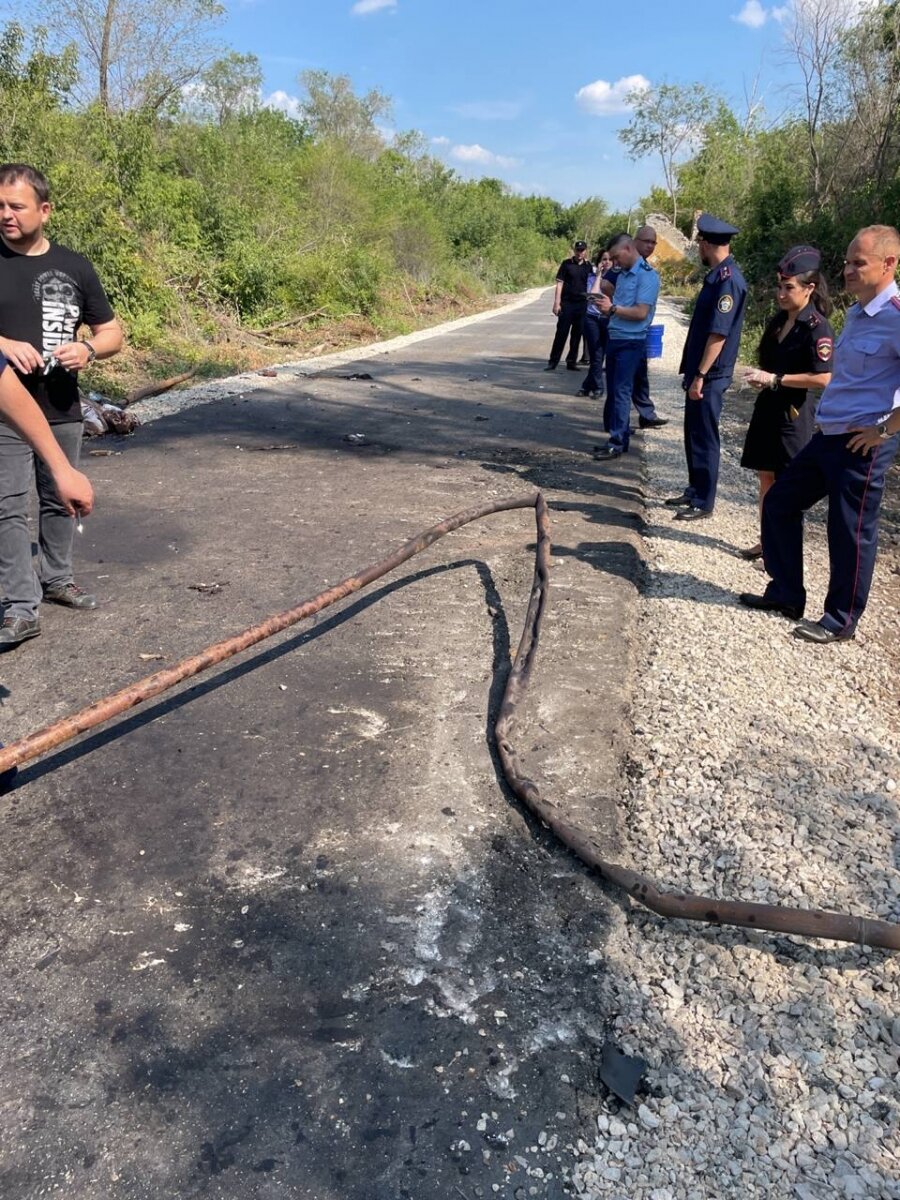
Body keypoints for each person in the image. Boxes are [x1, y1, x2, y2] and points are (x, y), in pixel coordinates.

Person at [739, 224, 900, 644]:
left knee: (848, 531)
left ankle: (839, 619)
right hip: (827, 436)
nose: (847, 269)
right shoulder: (856, 314)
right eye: (846, 262)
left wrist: (884, 431)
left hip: (863, 441)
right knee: (780, 502)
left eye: (857, 262)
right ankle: (786, 593)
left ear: (889, 263)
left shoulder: (896, 316)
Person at [0, 162, 122, 648]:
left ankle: (57, 579)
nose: (6, 215)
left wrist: (89, 349)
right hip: (5, 410)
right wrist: (3, 343)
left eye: (16, 206)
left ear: (44, 211)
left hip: (61, 404)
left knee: (58, 500)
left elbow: (112, 332)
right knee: (6, 506)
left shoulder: (75, 266)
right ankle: (19, 605)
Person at [739, 246, 834, 559]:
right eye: (779, 286)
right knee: (766, 475)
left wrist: (777, 380)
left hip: (793, 414)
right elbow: (769, 365)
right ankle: (767, 540)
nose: (781, 293)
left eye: (788, 287)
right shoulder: (779, 322)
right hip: (768, 406)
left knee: (788, 482)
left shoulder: (817, 327)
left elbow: (823, 378)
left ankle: (784, 549)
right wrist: (762, 378)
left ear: (809, 288)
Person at [666, 213, 748, 520]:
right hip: (700, 372)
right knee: (693, 432)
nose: (698, 248)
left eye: (699, 242)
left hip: (711, 374)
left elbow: (718, 333)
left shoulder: (728, 281)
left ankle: (704, 501)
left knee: (705, 435)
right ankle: (694, 488)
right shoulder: (716, 276)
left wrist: (700, 374)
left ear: (705, 243)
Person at [592, 233, 660, 459]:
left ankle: (617, 442)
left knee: (621, 392)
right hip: (616, 338)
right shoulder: (622, 274)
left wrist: (611, 309)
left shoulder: (647, 276)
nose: (614, 262)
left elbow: (641, 312)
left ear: (629, 249)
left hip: (631, 342)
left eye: (616, 256)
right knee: (614, 390)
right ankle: (616, 437)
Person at [630, 225, 668, 429]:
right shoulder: (626, 265)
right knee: (622, 384)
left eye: (654, 242)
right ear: (636, 241)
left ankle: (646, 414)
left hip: (641, 332)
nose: (651, 246)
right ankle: (617, 432)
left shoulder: (646, 268)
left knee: (640, 376)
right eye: (647, 241)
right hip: (627, 333)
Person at [545, 240, 591, 371]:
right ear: (574, 250)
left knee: (576, 336)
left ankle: (571, 362)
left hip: (582, 305)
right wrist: (556, 303)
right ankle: (553, 361)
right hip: (567, 304)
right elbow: (559, 283)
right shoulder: (566, 264)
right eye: (578, 250)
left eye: (582, 250)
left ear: (585, 251)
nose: (579, 252)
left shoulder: (588, 266)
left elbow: (592, 285)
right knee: (561, 333)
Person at [577, 249, 614, 400]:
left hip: (607, 319)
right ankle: (598, 387)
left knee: (599, 355)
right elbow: (591, 296)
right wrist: (598, 275)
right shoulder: (592, 277)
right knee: (596, 354)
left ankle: (587, 386)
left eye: (609, 259)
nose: (606, 262)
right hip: (592, 318)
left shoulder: (617, 278)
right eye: (603, 259)